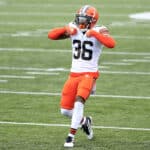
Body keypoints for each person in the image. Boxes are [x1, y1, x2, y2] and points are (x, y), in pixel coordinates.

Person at [48, 5, 116, 147]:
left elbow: (111, 44)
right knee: (65, 111)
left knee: (79, 101)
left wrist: (95, 34)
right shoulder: (74, 27)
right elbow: (51, 35)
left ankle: (70, 136)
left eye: (84, 19)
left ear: (93, 20)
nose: (81, 22)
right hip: (73, 74)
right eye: (80, 18)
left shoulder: (100, 29)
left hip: (89, 74)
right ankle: (85, 122)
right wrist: (66, 30)